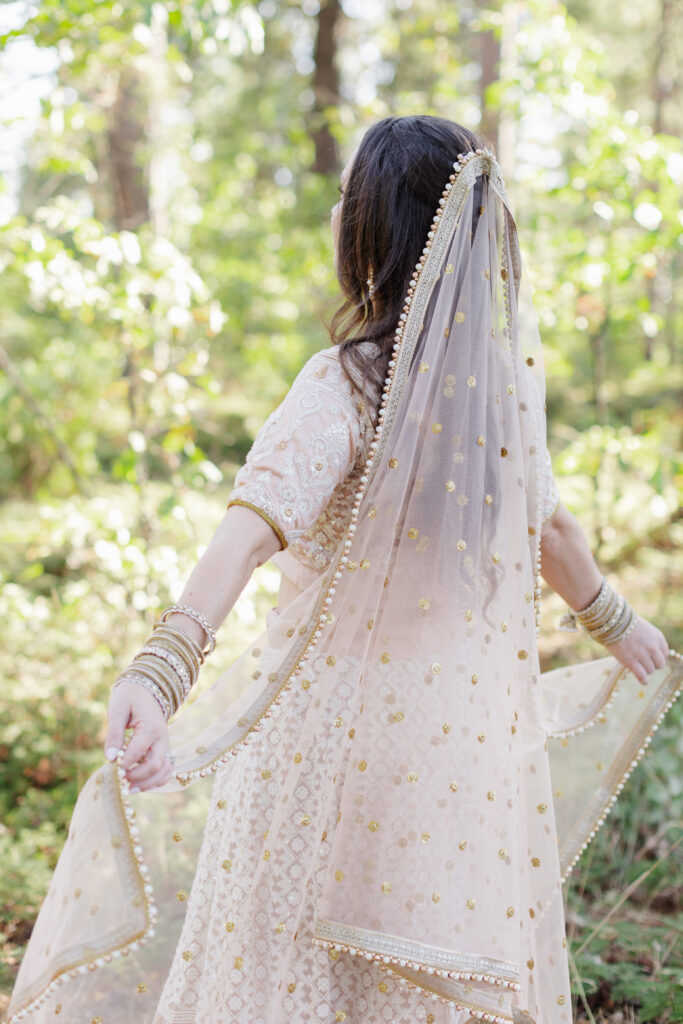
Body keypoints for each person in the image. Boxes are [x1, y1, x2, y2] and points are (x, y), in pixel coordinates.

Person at [6, 116, 681, 1024]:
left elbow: (248, 533)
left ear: (373, 230)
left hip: (319, 771)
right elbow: (549, 528)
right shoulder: (498, 412)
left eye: (343, 200)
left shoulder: (344, 385)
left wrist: (160, 670)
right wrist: (618, 622)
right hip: (453, 772)